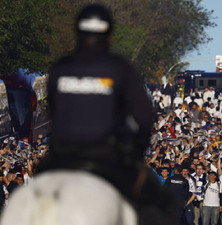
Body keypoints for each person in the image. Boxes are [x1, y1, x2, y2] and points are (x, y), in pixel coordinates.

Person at [43, 3, 172, 225]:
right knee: (164, 202)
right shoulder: (119, 67)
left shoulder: (60, 67)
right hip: (109, 158)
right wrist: (136, 152)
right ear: (109, 35)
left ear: (77, 32)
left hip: (62, 158)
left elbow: (52, 110)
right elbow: (144, 114)